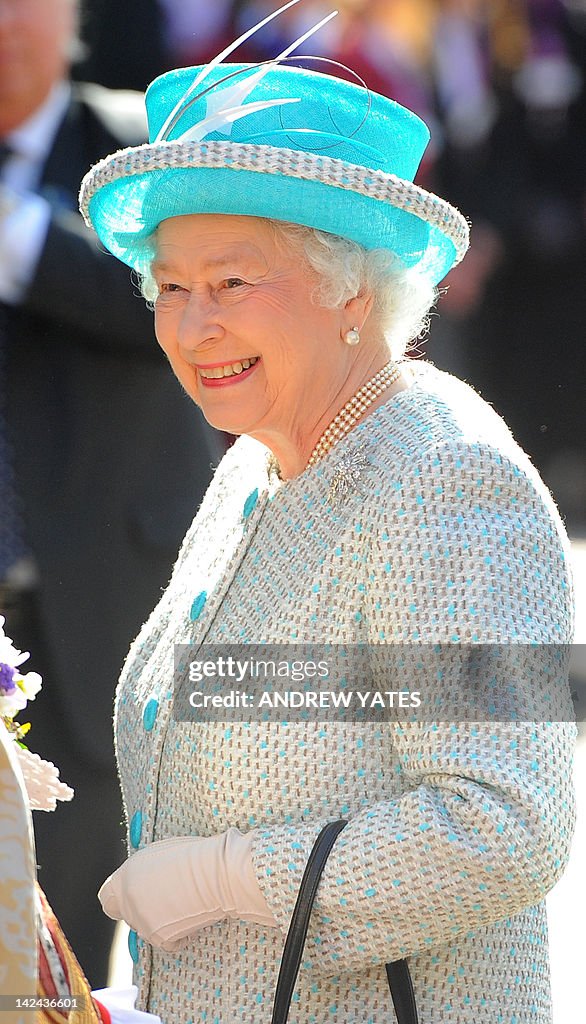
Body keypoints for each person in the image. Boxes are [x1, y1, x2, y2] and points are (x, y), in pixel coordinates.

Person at [79, 2, 576, 1021]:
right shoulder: (252, 467)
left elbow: (508, 822)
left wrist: (225, 876)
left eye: (230, 280)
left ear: (348, 287)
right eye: (168, 286)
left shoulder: (444, 477)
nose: (192, 323)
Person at [0, 0, 222, 986]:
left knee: (84, 962)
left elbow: (185, 310)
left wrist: (22, 241)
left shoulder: (147, 146)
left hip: (106, 621)